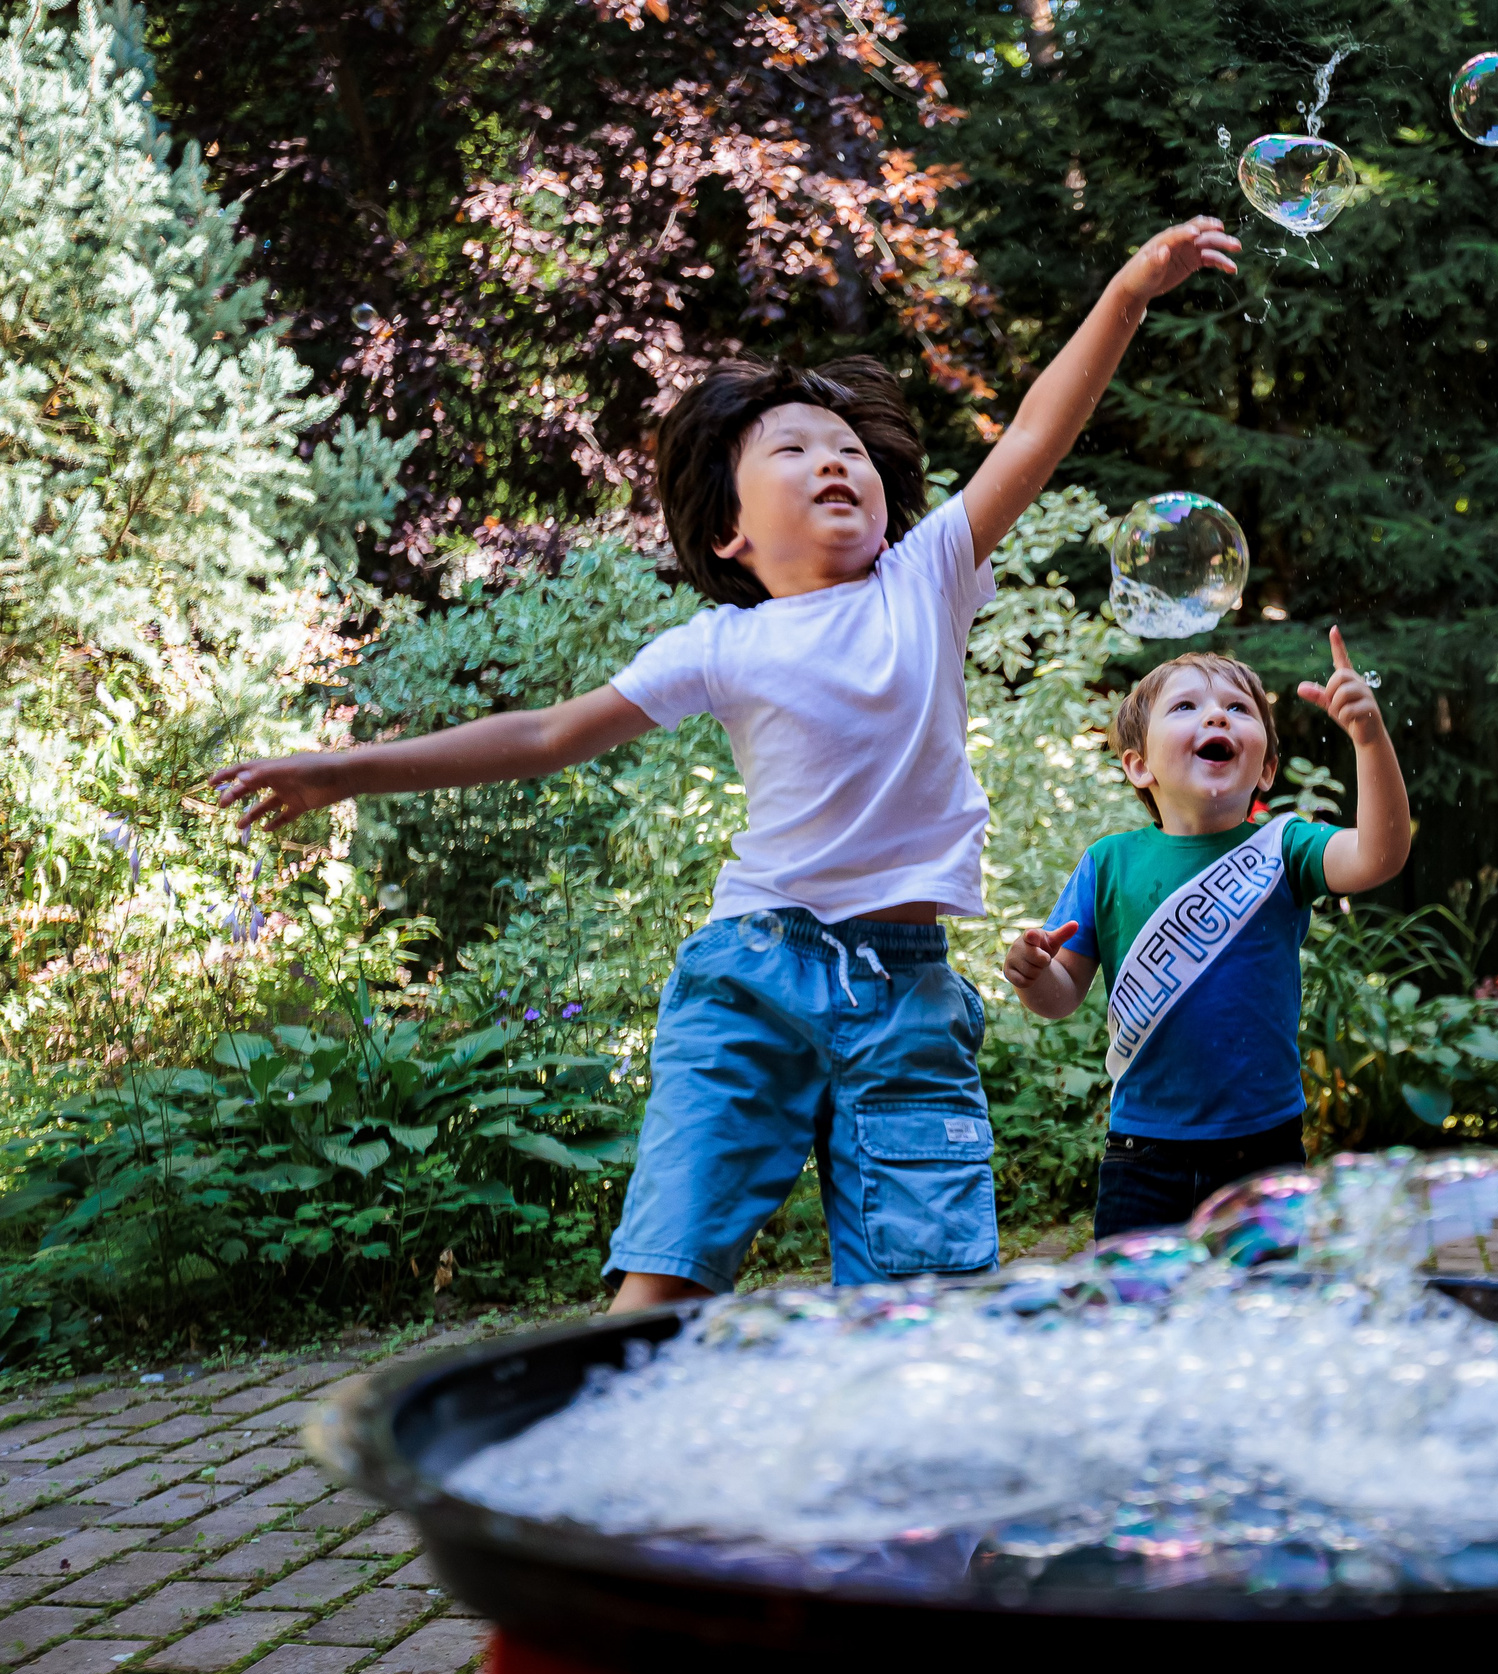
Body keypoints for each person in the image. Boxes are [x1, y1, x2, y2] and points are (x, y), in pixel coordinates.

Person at [212, 216, 1244, 1313]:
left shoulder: (925, 577)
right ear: (727, 535)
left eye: (846, 449)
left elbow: (1037, 432)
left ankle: (892, 1478)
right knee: (670, 1255)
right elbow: (546, 735)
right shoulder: (717, 644)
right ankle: (617, 1456)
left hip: (907, 990)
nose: (832, 460)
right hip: (753, 971)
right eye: (791, 451)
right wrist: (348, 769)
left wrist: (1130, 289)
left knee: (923, 1294)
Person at [1001, 634, 1411, 1238]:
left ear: (1266, 766)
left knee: (1261, 1325)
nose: (1217, 714)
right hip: (1140, 1154)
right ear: (1138, 763)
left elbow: (1379, 855)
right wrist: (1034, 974)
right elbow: (1061, 998)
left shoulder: (1286, 847)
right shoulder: (1108, 863)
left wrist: (1369, 740)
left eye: (1238, 709)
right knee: (1142, 1327)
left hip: (1263, 1153)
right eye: (1186, 707)